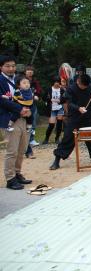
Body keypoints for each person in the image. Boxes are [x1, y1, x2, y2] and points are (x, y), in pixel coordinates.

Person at [50, 74, 91, 170]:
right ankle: (57, 160)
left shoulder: (90, 87)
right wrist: (78, 108)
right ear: (78, 82)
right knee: (68, 137)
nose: (84, 88)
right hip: (74, 117)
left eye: (86, 86)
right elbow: (69, 103)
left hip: (87, 117)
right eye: (83, 86)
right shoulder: (71, 89)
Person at [0, 55, 32, 190]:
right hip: (8, 119)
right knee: (12, 150)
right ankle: (10, 178)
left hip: (23, 118)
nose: (11, 68)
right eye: (8, 66)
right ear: (1, 67)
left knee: (22, 149)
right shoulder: (0, 80)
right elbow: (2, 101)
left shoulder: (18, 79)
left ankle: (17, 173)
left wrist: (28, 109)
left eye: (13, 66)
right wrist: (20, 108)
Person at [42, 76, 65, 144]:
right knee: (51, 124)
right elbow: (43, 98)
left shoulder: (62, 90)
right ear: (53, 82)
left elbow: (65, 99)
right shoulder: (49, 89)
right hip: (52, 108)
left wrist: (60, 101)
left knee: (59, 124)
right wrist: (49, 99)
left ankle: (57, 138)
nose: (57, 83)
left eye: (58, 82)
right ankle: (46, 138)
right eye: (55, 82)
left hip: (60, 108)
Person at [24, 65, 42, 150]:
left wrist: (37, 95)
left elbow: (39, 90)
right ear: (25, 71)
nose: (30, 71)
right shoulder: (21, 80)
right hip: (23, 105)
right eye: (28, 70)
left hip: (33, 105)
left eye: (31, 70)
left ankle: (31, 139)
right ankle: (24, 141)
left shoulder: (35, 81)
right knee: (24, 124)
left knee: (33, 123)